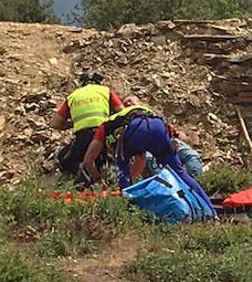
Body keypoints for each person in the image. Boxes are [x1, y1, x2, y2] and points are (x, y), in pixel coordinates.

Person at [80, 99, 214, 209]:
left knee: (122, 168)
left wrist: (100, 182)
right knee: (180, 172)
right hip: (158, 126)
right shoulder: (135, 110)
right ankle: (209, 209)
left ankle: (128, 212)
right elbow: (140, 161)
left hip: (135, 130)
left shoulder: (104, 127)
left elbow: (88, 161)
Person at [50, 72, 123, 178]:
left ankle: (82, 182)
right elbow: (122, 112)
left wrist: (75, 123)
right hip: (104, 134)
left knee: (66, 160)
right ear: (98, 82)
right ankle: (111, 183)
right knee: (113, 158)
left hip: (83, 137)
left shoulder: (73, 96)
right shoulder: (105, 91)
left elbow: (55, 123)